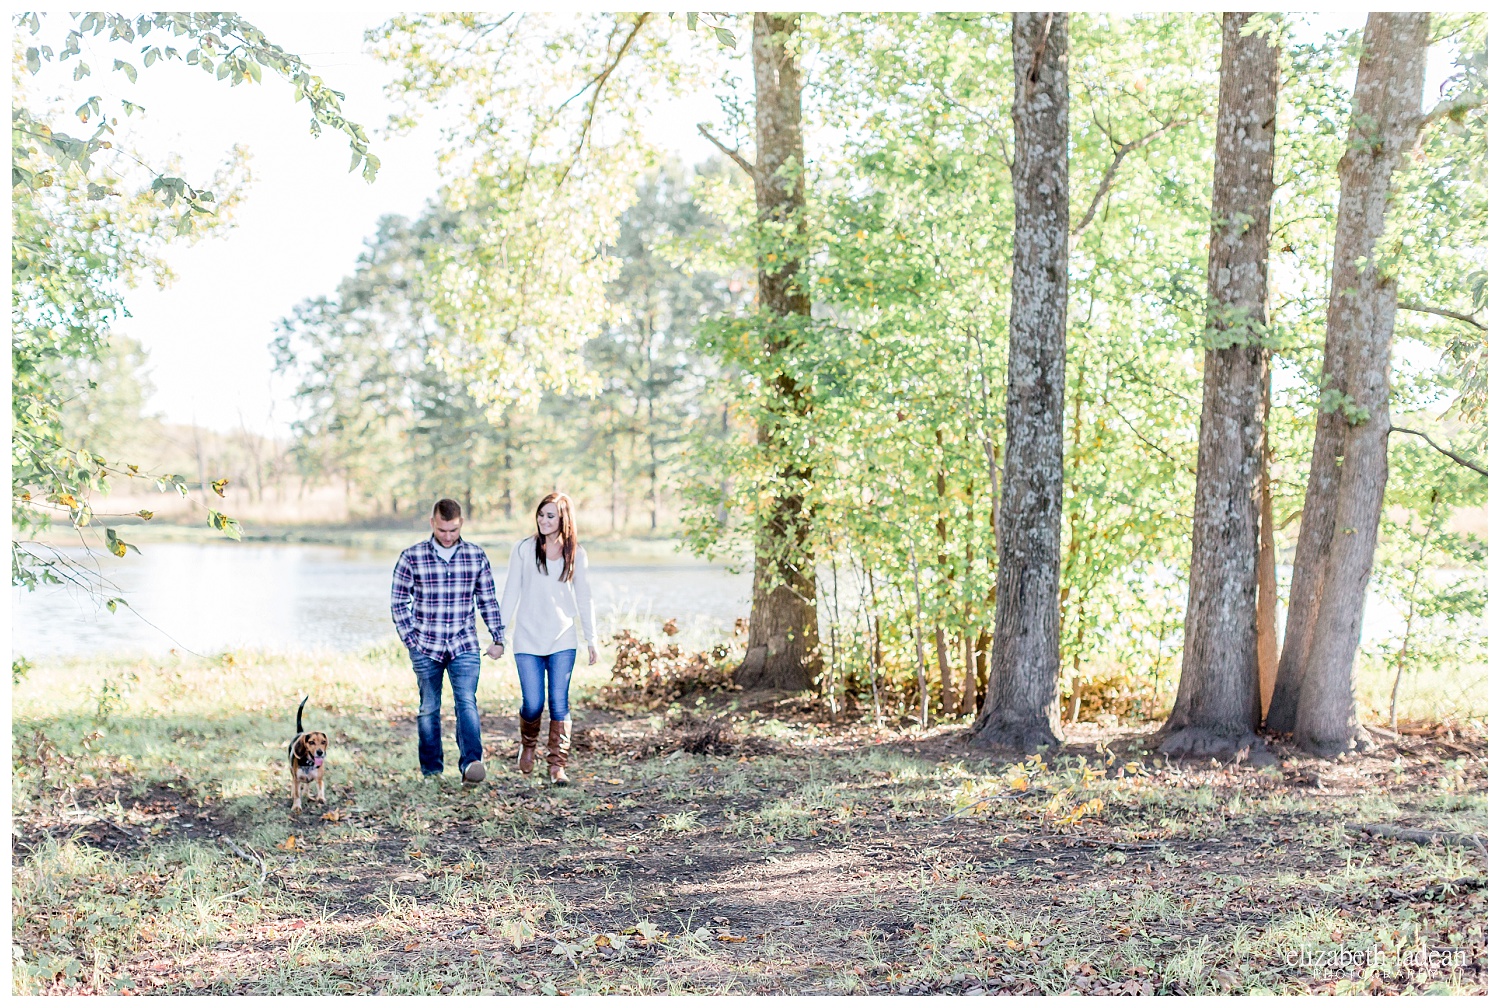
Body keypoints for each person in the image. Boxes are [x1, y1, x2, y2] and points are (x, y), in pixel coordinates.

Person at [390, 498, 505, 783]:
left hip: (463, 643)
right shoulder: (412, 556)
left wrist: (498, 637)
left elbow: (487, 600)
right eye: (443, 530)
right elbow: (398, 602)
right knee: (429, 707)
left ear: (461, 524)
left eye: (453, 530)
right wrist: (411, 641)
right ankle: (432, 771)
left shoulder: (475, 556)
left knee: (466, 702)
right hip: (425, 646)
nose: (448, 536)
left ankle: (471, 765)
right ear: (433, 523)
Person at [499, 492, 597, 785]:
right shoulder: (523, 549)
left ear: (563, 519)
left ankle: (557, 766)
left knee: (559, 701)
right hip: (527, 638)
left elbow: (585, 597)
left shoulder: (577, 553)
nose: (543, 520)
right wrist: (498, 635)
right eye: (541, 514)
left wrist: (592, 639)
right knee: (532, 702)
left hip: (562, 639)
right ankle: (528, 745)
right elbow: (511, 592)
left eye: (550, 515)